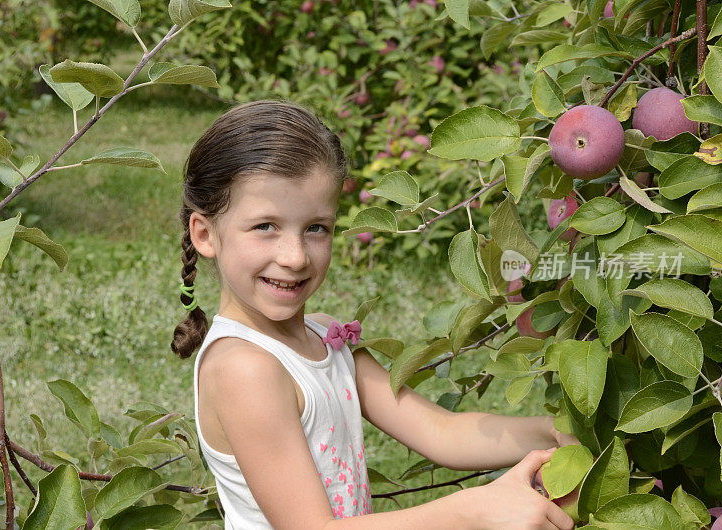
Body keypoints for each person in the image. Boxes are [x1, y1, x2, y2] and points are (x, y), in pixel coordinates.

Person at [171, 99, 578, 529]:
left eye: (316, 228)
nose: (294, 257)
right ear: (205, 234)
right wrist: (475, 510)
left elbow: (441, 432)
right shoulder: (244, 368)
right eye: (265, 227)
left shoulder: (323, 333)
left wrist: (552, 432)